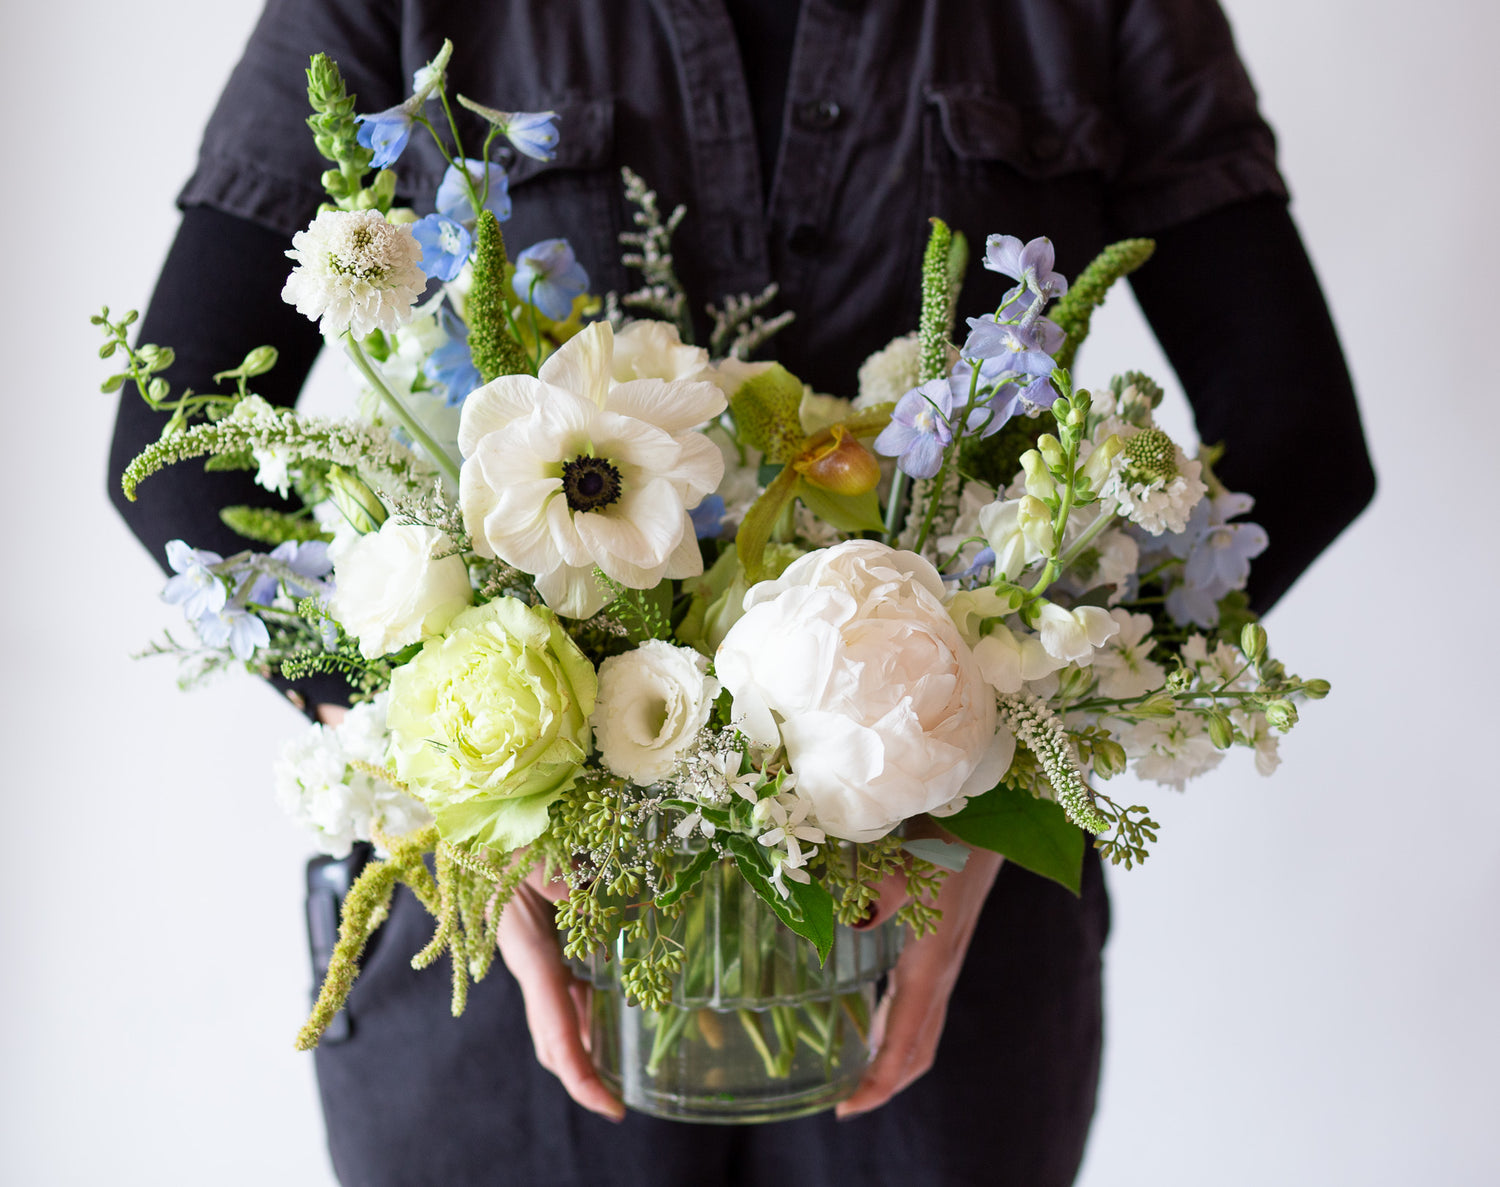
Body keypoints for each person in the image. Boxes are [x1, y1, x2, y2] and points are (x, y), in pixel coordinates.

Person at [108, 2, 1375, 1184]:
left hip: (930, 950)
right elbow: (167, 453)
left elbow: (1299, 438)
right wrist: (472, 792)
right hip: (509, 978)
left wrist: (990, 783)